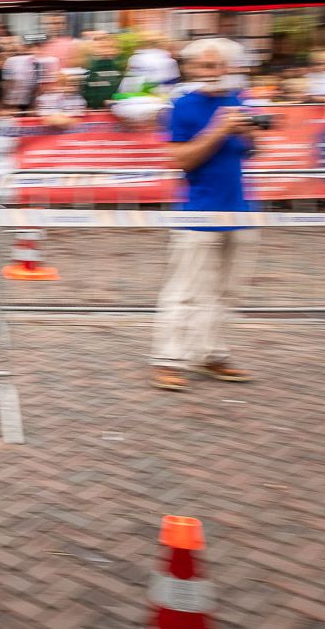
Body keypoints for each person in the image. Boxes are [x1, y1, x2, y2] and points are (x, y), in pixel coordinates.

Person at [151, 37, 258, 393]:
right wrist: (219, 130)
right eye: (202, 66)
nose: (209, 72)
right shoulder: (181, 106)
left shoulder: (240, 100)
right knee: (185, 290)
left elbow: (253, 151)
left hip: (239, 209)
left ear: (229, 67)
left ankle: (211, 353)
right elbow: (180, 160)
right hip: (197, 212)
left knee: (228, 291)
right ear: (192, 69)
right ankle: (168, 359)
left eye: (216, 65)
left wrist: (250, 133)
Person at [81, 34, 125, 110]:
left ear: (116, 50)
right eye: (102, 47)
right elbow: (88, 96)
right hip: (97, 111)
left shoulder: (120, 69)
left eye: (109, 47)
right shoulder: (89, 71)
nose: (105, 51)